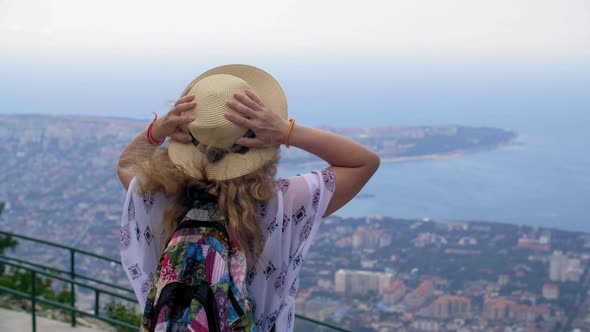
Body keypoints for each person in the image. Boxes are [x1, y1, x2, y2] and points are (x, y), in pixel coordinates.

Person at [117, 64, 380, 331]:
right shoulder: (281, 204)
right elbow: (363, 162)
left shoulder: (162, 199)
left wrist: (160, 128)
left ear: (187, 139)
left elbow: (127, 164)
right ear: (260, 143)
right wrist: (286, 131)